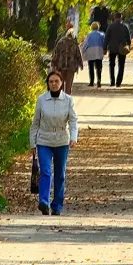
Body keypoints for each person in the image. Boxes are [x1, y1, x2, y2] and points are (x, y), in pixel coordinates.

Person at [29, 70, 78, 215]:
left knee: (60, 173)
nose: (54, 84)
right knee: (45, 171)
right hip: (44, 139)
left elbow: (73, 120)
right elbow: (35, 123)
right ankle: (44, 202)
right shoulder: (42, 99)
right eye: (51, 82)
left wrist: (73, 137)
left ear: (61, 83)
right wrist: (33, 143)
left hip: (62, 140)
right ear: (48, 84)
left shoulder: (68, 100)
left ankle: (57, 205)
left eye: (56, 81)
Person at [51, 25, 84, 93]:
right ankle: (67, 98)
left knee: (61, 83)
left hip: (61, 66)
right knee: (69, 85)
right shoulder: (74, 43)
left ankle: (61, 96)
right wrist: (81, 65)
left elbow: (56, 54)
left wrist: (53, 64)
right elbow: (78, 55)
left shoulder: (60, 42)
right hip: (71, 67)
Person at [105, 12, 133, 87]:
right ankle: (118, 82)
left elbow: (106, 38)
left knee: (111, 65)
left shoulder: (110, 26)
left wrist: (104, 48)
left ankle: (112, 81)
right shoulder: (124, 27)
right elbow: (128, 39)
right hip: (122, 48)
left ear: (114, 17)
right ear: (121, 18)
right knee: (121, 65)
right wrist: (128, 46)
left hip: (112, 48)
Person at [82, 21, 107, 87]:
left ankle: (91, 82)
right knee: (99, 67)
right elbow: (104, 43)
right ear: (98, 27)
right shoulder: (102, 34)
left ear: (91, 27)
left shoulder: (89, 35)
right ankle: (99, 80)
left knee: (91, 67)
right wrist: (105, 50)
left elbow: (86, 44)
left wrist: (83, 50)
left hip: (91, 52)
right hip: (99, 51)